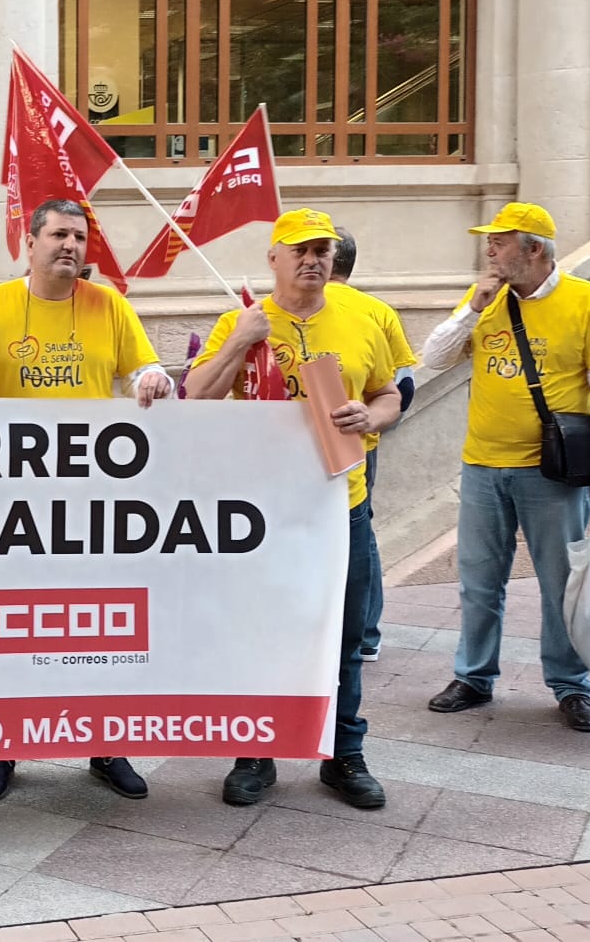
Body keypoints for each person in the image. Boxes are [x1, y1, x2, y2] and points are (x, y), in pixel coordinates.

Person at [185, 208, 401, 811]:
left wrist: (373, 417)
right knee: (260, 632)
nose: (312, 260)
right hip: (262, 515)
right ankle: (255, 753)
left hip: (340, 504)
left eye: (322, 250)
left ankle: (344, 754)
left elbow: (388, 394)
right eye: (298, 249)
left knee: (344, 636)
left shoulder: (364, 318)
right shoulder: (242, 318)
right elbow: (196, 397)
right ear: (273, 258)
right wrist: (240, 341)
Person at [0, 198, 172, 804]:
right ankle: (4, 743)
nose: (70, 246)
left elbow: (144, 372)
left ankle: (106, 744)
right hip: (8, 503)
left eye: (79, 237)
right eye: (57, 235)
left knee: (93, 627)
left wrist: (156, 380)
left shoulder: (111, 306)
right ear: (30, 242)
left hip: (90, 501)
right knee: (11, 624)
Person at [420, 202, 590, 734]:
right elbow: (433, 357)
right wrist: (472, 308)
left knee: (559, 582)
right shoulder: (487, 302)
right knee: (478, 580)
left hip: (552, 472)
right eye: (489, 241)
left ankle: (570, 685)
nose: (489, 250)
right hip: (482, 466)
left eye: (499, 241)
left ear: (534, 248)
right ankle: (473, 676)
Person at [328, 227, 418, 663]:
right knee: (361, 529)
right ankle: (366, 633)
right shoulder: (378, 311)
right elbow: (403, 384)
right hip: (362, 439)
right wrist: (374, 420)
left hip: (319, 444)